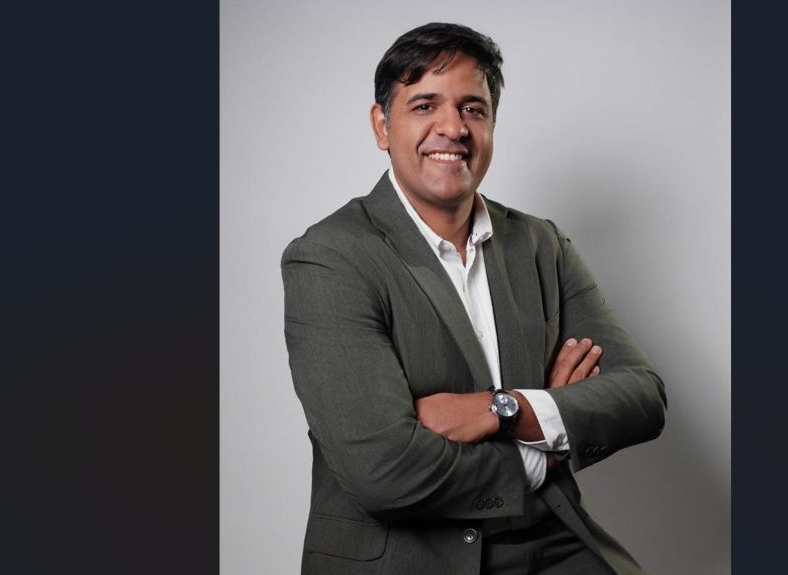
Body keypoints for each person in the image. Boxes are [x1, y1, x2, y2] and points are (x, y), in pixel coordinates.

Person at [282, 22, 667, 575]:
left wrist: (507, 410)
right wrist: (544, 444)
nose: (453, 128)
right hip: (410, 558)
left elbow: (642, 398)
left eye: (473, 109)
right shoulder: (330, 257)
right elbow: (383, 473)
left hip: (553, 541)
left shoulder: (540, 244)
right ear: (382, 126)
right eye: (424, 106)